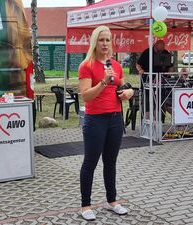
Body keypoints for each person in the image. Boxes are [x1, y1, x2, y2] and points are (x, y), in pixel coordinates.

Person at [78, 25, 134, 221]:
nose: (105, 43)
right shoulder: (86, 65)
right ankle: (86, 205)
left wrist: (129, 92)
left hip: (115, 119)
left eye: (108, 39)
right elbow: (86, 96)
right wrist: (103, 82)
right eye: (101, 39)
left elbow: (125, 86)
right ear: (95, 41)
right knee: (90, 163)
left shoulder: (116, 65)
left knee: (110, 162)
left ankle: (112, 201)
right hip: (95, 121)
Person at [136, 40, 174, 122]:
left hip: (161, 83)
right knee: (147, 102)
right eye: (159, 50)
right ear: (155, 46)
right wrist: (140, 70)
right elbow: (138, 64)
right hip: (147, 82)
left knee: (160, 102)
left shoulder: (166, 53)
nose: (161, 52)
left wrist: (169, 73)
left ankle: (159, 121)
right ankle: (147, 122)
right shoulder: (147, 52)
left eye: (162, 50)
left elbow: (171, 68)